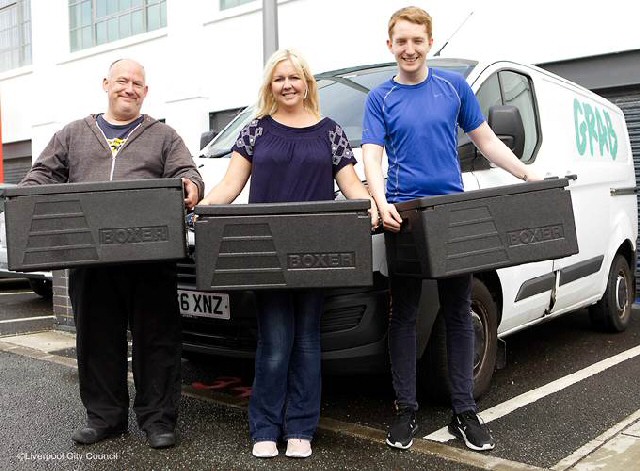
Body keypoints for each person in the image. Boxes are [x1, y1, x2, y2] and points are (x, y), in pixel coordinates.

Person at [362, 6, 541, 452]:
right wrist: (379, 201)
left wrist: (525, 174)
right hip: (403, 216)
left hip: (451, 215)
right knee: (402, 314)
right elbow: (371, 154)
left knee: (458, 313)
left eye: (417, 41)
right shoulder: (379, 98)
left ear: (429, 42)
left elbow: (486, 140)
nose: (409, 49)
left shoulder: (453, 87)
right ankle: (406, 410)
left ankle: (465, 411)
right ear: (390, 45)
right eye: (400, 41)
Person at [198, 48, 378, 459]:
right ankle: (265, 427)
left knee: (307, 344)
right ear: (270, 86)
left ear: (307, 83)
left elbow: (352, 187)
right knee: (275, 344)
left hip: (315, 256)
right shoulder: (256, 130)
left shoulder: (330, 131)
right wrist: (201, 210)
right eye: (280, 79)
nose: (288, 85)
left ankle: (300, 428)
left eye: (295, 77)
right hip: (268, 254)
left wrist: (374, 207)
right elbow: (230, 186)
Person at [20, 59, 204, 449]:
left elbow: (189, 172)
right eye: (123, 80)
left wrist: (190, 184)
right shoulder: (73, 134)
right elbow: (40, 176)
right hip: (92, 259)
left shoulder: (164, 135)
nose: (130, 88)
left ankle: (158, 420)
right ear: (106, 83)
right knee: (97, 339)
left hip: (151, 258)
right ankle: (105, 418)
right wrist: (27, 196)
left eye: (138, 83)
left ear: (146, 91)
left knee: (157, 340)